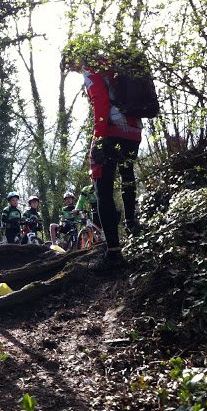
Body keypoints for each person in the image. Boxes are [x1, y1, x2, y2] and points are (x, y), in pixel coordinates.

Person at [63, 39, 142, 269]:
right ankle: (131, 224)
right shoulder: (111, 65)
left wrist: (98, 138)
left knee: (102, 188)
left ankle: (114, 254)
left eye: (71, 64)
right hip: (134, 131)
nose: (74, 69)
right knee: (128, 176)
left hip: (111, 132)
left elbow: (101, 102)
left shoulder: (91, 70)